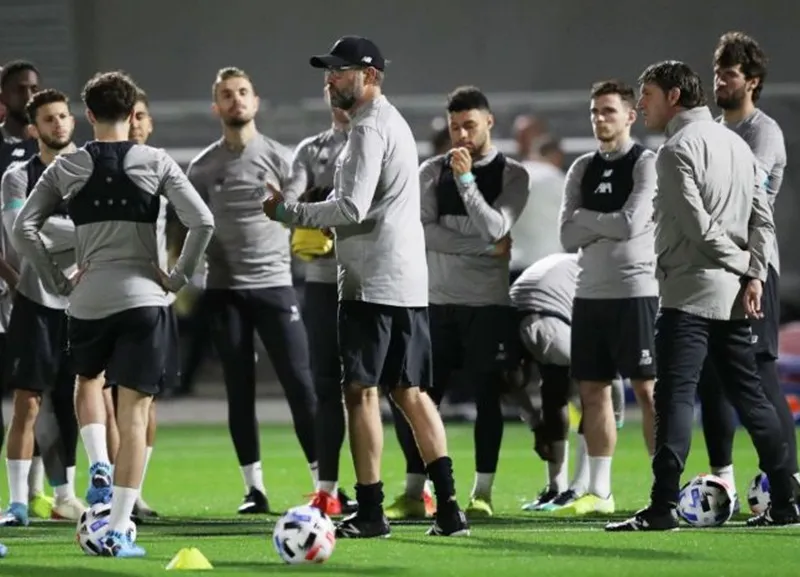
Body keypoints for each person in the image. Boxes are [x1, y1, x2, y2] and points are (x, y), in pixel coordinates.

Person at [263, 35, 469, 538]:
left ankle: (372, 510)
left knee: (359, 393)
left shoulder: (367, 129)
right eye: (328, 71)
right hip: (402, 281)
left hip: (371, 283)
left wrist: (289, 213)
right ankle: (448, 507)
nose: (330, 79)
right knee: (412, 394)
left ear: (370, 76)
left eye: (340, 70)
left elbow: (351, 207)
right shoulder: (389, 122)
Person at [13, 71, 214, 556]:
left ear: (88, 115)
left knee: (88, 382)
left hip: (88, 302)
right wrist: (178, 276)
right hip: (145, 299)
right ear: (132, 114)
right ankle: (120, 527)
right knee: (135, 411)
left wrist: (58, 280)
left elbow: (25, 229)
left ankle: (98, 462)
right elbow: (202, 220)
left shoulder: (69, 165)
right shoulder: (157, 161)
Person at [607, 60, 797, 531]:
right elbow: (763, 220)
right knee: (752, 399)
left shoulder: (674, 151)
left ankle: (662, 508)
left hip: (689, 296)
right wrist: (753, 272)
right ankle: (788, 502)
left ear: (674, 97)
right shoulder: (736, 143)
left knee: (674, 399)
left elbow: (699, 230)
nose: (641, 103)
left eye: (646, 94)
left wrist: (738, 265)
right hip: (736, 297)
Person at [389, 86, 529, 520]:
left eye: (469, 125)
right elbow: (423, 231)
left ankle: (481, 493)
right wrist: (485, 249)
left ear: (489, 123)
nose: (462, 135)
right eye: (454, 127)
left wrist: (468, 181)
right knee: (417, 396)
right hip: (433, 304)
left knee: (489, 398)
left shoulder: (512, 174)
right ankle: (415, 492)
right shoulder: (430, 171)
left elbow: (495, 224)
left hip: (487, 305)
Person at [187, 67, 318, 515]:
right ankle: (254, 490)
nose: (236, 100)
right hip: (224, 291)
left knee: (301, 385)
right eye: (227, 94)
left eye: (242, 92)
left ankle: (325, 484)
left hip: (276, 286)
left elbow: (301, 212)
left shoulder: (284, 159)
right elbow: (192, 227)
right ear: (216, 107)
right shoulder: (201, 167)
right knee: (238, 391)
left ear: (255, 102)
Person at [698, 31, 797, 499]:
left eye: (729, 74)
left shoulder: (764, 132)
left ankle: (788, 482)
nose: (719, 81)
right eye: (717, 72)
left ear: (752, 81)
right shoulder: (713, 132)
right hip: (713, 267)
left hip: (754, 267)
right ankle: (724, 481)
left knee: (757, 374)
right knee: (712, 376)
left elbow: (736, 193)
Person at [556, 80, 658, 517]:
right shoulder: (581, 167)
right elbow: (565, 235)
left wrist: (587, 221)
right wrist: (604, 222)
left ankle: (663, 487)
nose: (600, 119)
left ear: (630, 116)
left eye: (609, 111)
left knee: (648, 390)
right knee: (592, 390)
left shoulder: (646, 162)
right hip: (589, 294)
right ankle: (600, 490)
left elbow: (633, 224)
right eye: (595, 111)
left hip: (636, 291)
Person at [0, 89, 87, 527]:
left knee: (70, 402)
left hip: (81, 304)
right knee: (28, 403)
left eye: (63, 117)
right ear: (34, 128)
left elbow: (38, 230)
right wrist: (80, 234)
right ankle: (16, 503)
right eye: (49, 119)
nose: (58, 125)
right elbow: (19, 231)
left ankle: (65, 496)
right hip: (33, 300)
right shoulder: (17, 176)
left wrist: (45, 230)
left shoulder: (89, 172)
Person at [283, 85, 356, 516]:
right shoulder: (312, 151)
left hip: (370, 279)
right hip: (323, 282)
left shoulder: (380, 139)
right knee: (327, 386)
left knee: (390, 387)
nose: (334, 95)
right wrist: (294, 203)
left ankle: (413, 486)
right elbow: (291, 196)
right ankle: (327, 489)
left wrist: (320, 207)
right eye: (329, 89)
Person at [507, 253, 626, 512]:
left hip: (555, 309)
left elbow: (608, 377)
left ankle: (578, 487)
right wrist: (537, 425)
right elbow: (510, 384)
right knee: (556, 391)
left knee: (592, 389)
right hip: (545, 309)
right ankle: (558, 488)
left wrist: (614, 416)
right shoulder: (517, 342)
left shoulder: (540, 336)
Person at [103, 90, 165, 521]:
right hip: (114, 298)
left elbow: (184, 227)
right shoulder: (107, 170)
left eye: (143, 115)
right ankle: (114, 492)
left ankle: (134, 492)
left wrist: (175, 277)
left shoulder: (162, 167)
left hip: (156, 296)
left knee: (146, 400)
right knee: (112, 396)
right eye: (132, 115)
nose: (137, 122)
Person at [0, 61, 55, 520]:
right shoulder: (5, 159)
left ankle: (37, 490)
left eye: (35, 88)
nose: (28, 95)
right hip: (10, 287)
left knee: (39, 392)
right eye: (21, 89)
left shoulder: (52, 153)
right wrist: (12, 278)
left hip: (37, 291)